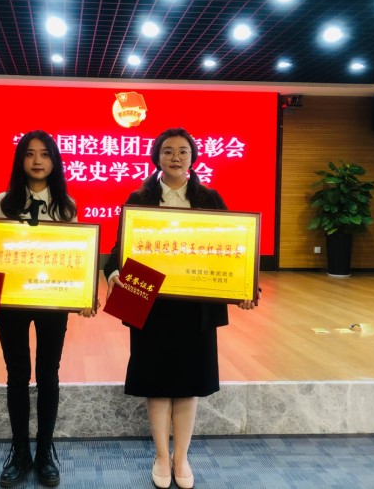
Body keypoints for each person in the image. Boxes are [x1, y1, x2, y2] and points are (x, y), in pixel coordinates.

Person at [104, 127, 258, 489]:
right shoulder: (140, 197)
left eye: (183, 151)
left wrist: (247, 287)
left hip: (195, 306)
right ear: (157, 156)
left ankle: (181, 457)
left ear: (193, 157)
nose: (176, 157)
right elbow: (120, 247)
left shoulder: (209, 198)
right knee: (156, 383)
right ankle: (161, 455)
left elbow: (234, 248)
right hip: (151, 304)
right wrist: (112, 272)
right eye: (168, 151)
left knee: (189, 383)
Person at [0, 130, 96, 488]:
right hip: (11, 301)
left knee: (48, 374)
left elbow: (76, 258)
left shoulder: (66, 206)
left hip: (51, 301)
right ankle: (19, 452)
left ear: (55, 161)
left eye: (44, 154)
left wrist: (85, 294)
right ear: (20, 160)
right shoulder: (3, 202)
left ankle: (44, 453)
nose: (37, 161)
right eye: (30, 154)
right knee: (17, 374)